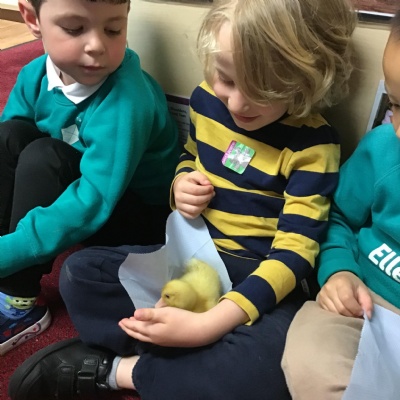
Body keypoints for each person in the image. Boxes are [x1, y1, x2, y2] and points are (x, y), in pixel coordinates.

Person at [7, 0, 356, 399]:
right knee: (80, 274)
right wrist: (182, 183)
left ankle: (122, 371)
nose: (237, 104)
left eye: (264, 91)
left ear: (308, 78)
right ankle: (187, 360)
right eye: (226, 79)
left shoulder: (314, 146)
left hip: (261, 277)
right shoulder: (207, 101)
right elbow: (190, 156)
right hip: (195, 258)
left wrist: (210, 324)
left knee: (268, 373)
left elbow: (296, 254)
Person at [0, 0, 179, 355]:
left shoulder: (127, 99)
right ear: (32, 19)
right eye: (74, 28)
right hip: (82, 185)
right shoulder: (35, 75)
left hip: (136, 217)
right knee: (9, 135)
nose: (97, 45)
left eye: (113, 29)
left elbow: (93, 199)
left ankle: (19, 299)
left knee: (44, 157)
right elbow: (10, 147)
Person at [281, 10, 400, 400]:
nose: (399, 129)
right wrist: (339, 272)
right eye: (396, 104)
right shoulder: (382, 149)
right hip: (365, 302)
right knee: (310, 358)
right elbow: (336, 217)